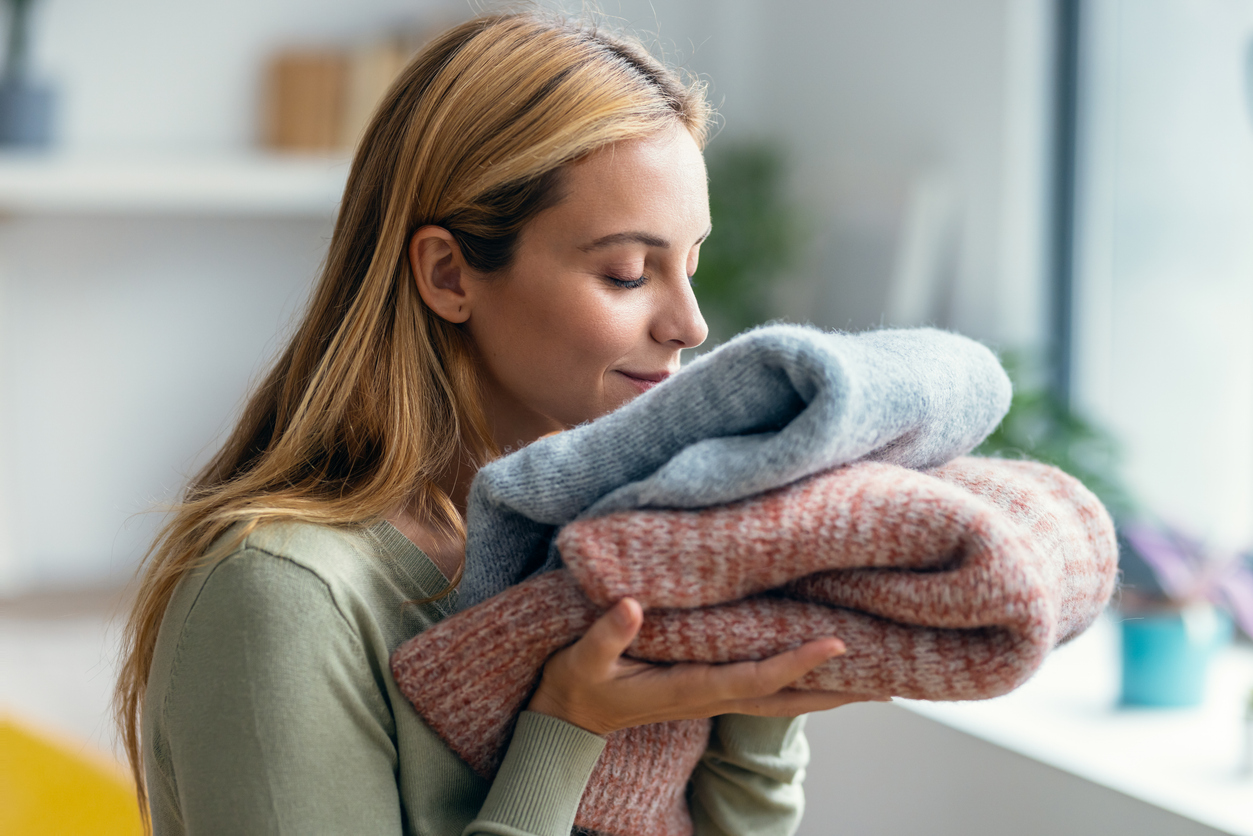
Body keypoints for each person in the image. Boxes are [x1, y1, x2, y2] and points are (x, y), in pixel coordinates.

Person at [114, 11, 877, 835]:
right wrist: (565, 731)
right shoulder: (282, 597)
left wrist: (753, 707)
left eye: (687, 267)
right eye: (626, 273)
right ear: (448, 274)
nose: (691, 326)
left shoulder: (604, 544)